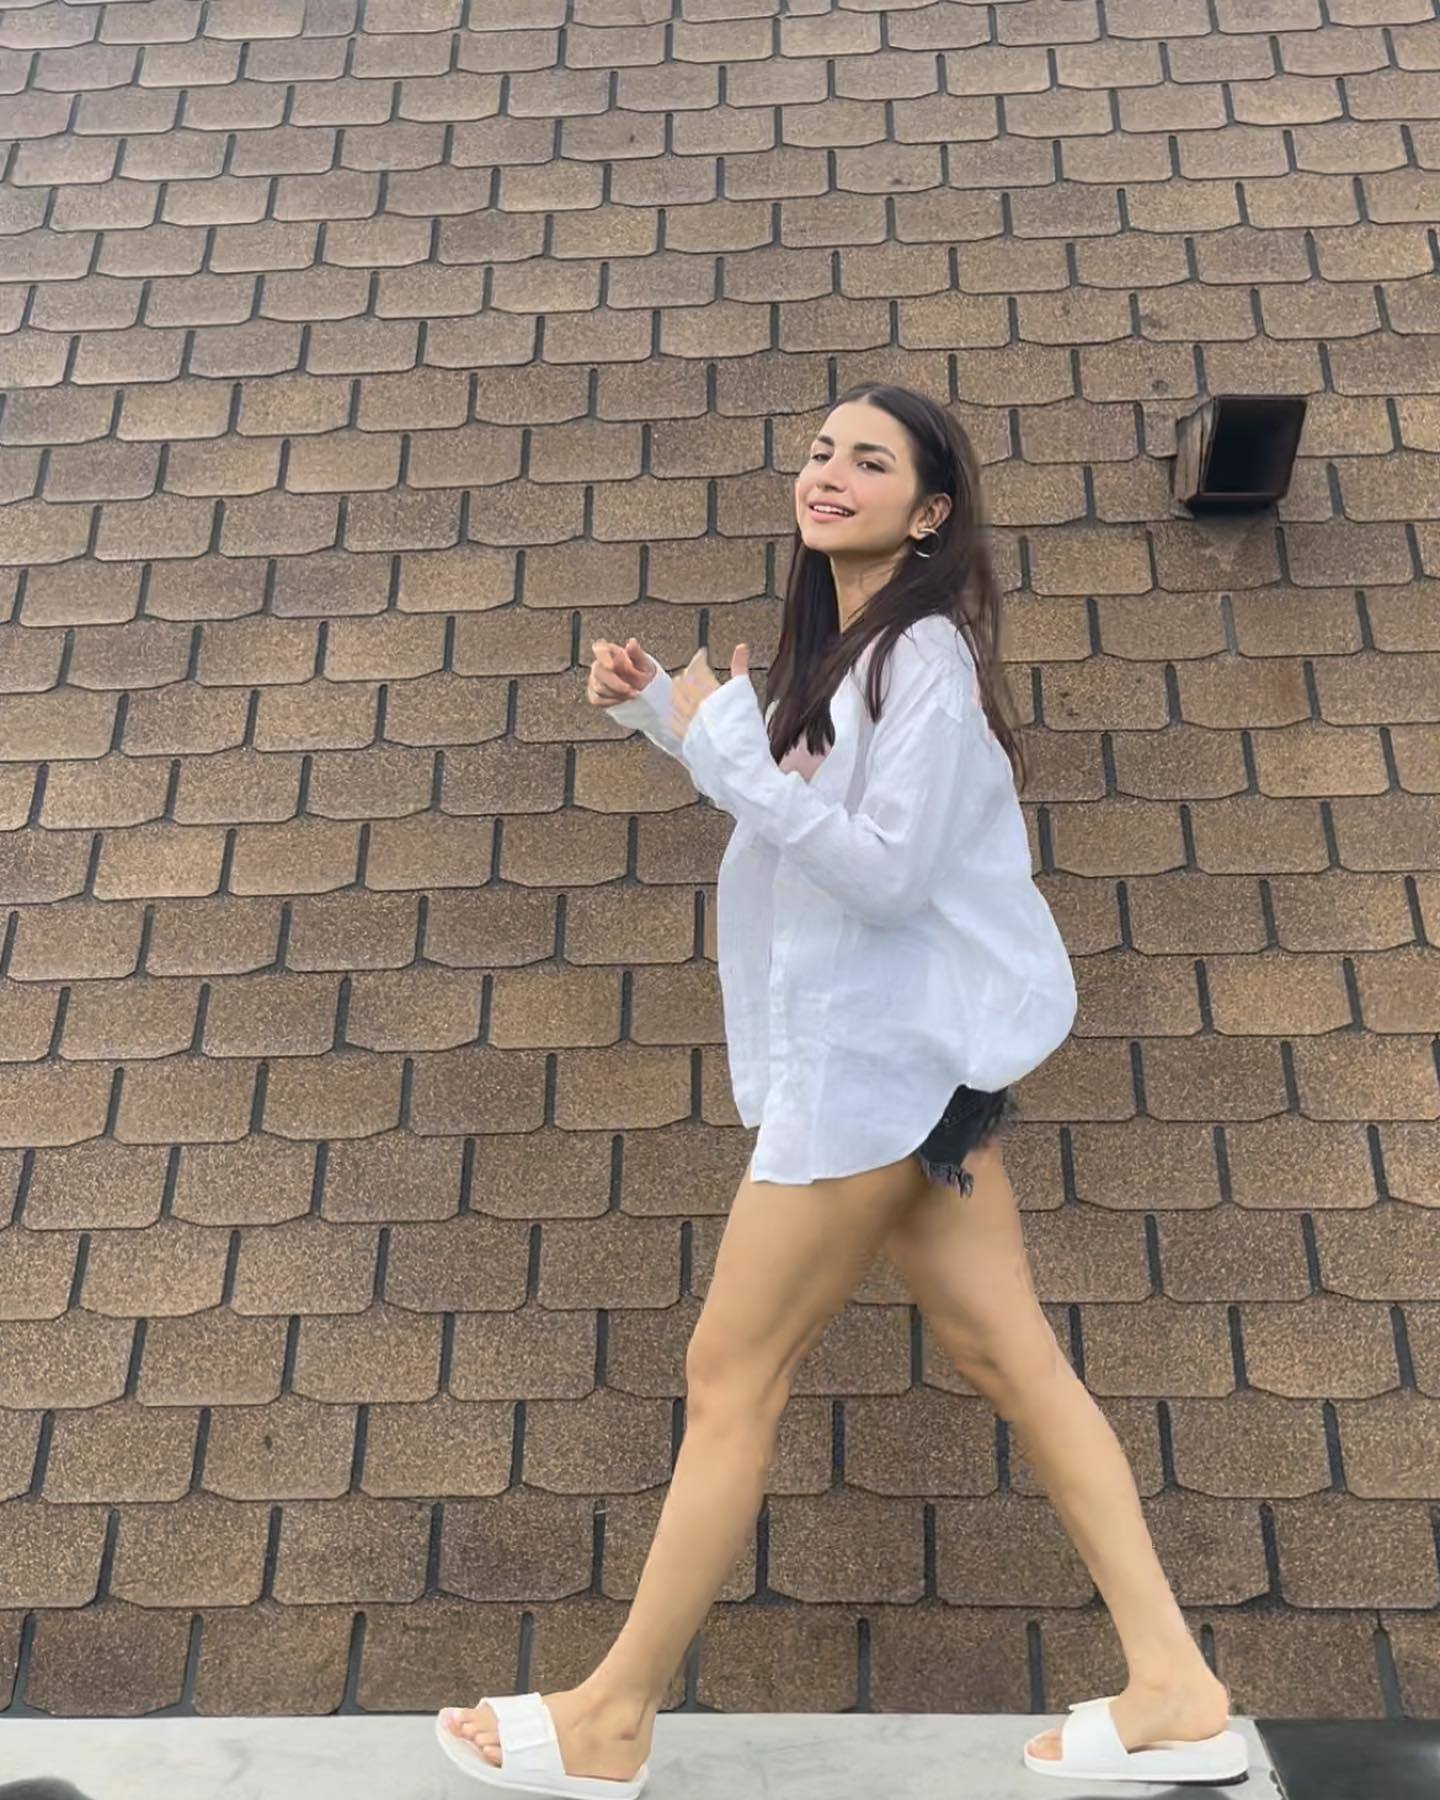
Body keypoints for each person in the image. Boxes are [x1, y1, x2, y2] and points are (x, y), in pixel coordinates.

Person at [436, 384, 1245, 1792]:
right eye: (819, 452)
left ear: (929, 512)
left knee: (730, 1374)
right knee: (1014, 1360)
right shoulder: (852, 651)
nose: (829, 474)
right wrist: (670, 718)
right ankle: (1174, 1681)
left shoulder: (920, 657)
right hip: (910, 1075)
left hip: (873, 1075)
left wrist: (718, 741)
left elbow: (880, 873)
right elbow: (800, 818)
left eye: (870, 462)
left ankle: (612, 1716)